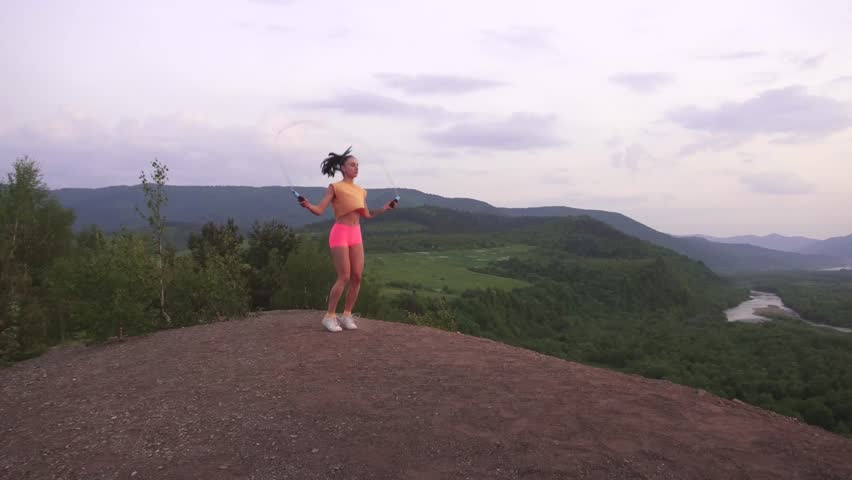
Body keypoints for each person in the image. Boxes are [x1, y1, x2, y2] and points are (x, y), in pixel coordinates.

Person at [299, 147, 397, 332]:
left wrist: (385, 208)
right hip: (340, 233)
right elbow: (320, 210)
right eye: (352, 165)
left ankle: (347, 315)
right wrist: (307, 205)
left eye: (357, 165)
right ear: (343, 168)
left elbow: (366, 214)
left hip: (356, 233)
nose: (356, 168)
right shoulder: (335, 187)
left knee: (357, 276)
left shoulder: (361, 191)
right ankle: (329, 317)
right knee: (344, 276)